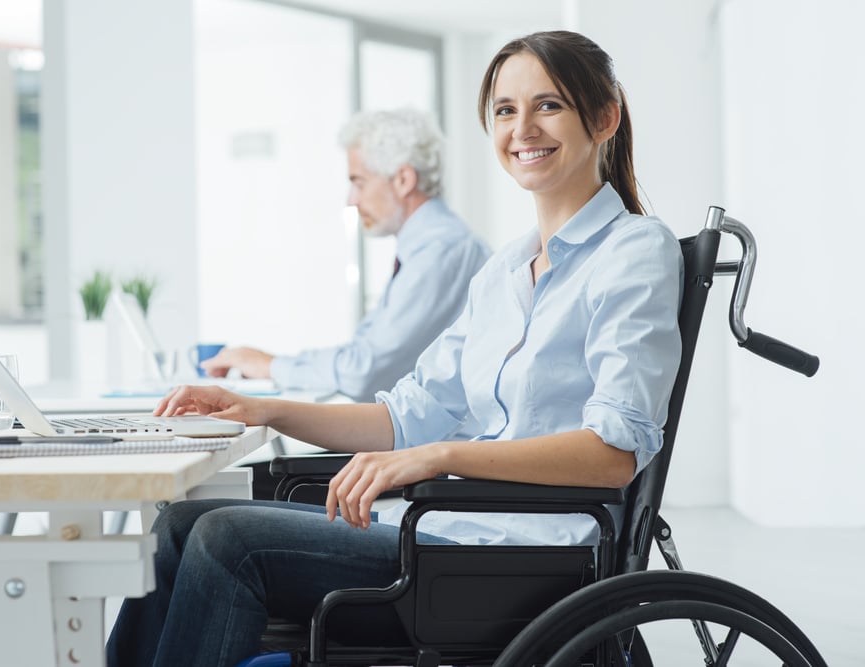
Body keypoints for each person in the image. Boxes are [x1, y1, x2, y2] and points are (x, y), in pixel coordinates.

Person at [106, 30, 684, 667]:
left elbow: (612, 455)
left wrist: (435, 459)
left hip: (524, 560)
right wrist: (261, 408)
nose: (523, 128)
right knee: (177, 525)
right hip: (452, 533)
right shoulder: (503, 272)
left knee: (224, 539)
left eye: (548, 105)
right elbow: (401, 415)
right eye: (504, 110)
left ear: (604, 117)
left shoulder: (634, 251)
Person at [200, 108, 490, 403]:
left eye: (359, 182)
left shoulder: (441, 251)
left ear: (403, 179)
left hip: (443, 442)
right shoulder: (430, 248)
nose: (351, 200)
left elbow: (364, 370)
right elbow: (366, 355)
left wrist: (269, 365)